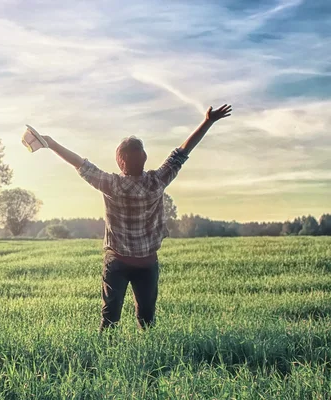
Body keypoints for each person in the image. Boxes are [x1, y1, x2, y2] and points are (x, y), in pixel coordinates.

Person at [37, 104, 232, 331]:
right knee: (147, 321)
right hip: (147, 263)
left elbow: (80, 163)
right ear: (145, 158)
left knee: (109, 319)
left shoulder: (111, 184)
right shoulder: (156, 182)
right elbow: (182, 153)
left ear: (120, 162)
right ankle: (148, 360)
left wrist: (50, 143)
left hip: (117, 262)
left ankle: (103, 358)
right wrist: (208, 121)